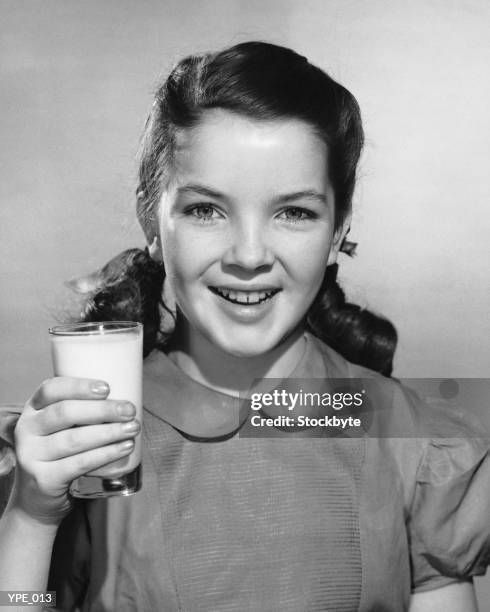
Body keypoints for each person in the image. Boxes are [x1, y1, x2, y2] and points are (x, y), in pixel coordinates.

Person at [0, 41, 489, 612]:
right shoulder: (87, 447)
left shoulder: (415, 446)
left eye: (294, 212)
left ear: (337, 230)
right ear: (151, 221)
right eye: (206, 209)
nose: (250, 254)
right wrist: (32, 516)